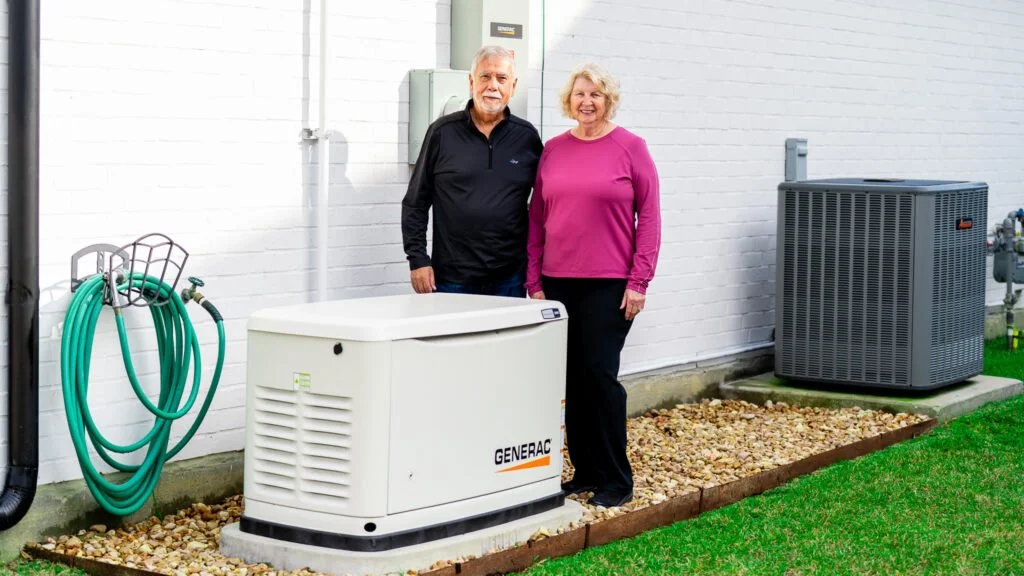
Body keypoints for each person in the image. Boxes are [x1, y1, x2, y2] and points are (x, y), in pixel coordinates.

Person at [526, 63, 661, 508]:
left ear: (609, 101)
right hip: (558, 280)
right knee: (572, 381)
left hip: (609, 284)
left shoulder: (631, 148)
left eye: (596, 95)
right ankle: (584, 471)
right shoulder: (555, 150)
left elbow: (651, 220)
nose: (587, 102)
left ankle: (617, 479)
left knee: (600, 378)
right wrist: (534, 280)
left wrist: (639, 280)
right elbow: (537, 220)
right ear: (570, 100)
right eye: (580, 94)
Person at [401, 45, 543, 297]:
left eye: (501, 78)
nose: (493, 86)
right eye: (485, 76)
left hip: (510, 278)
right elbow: (415, 202)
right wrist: (418, 260)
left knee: (505, 337)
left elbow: (545, 206)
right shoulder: (442, 133)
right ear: (471, 81)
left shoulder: (527, 137)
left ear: (513, 85)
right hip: (451, 278)